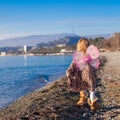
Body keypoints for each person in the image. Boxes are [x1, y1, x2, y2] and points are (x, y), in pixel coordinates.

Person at [66, 38, 100, 110]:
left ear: (79, 46)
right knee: (92, 89)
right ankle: (93, 103)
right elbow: (98, 63)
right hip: (91, 76)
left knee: (81, 85)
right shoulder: (92, 55)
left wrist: (69, 73)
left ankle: (83, 98)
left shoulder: (78, 56)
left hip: (82, 76)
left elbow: (72, 66)